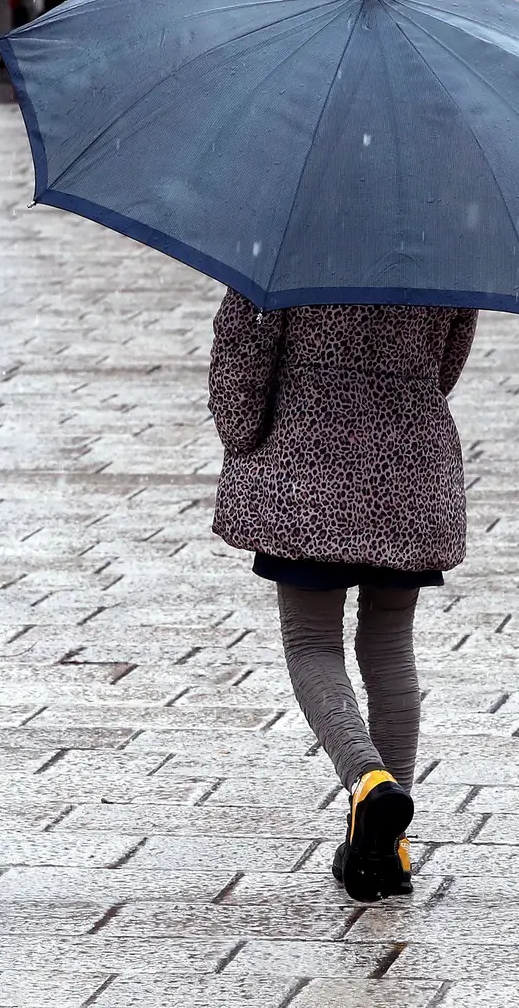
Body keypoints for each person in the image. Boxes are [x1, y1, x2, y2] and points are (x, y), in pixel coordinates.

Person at [209, 290, 478, 902]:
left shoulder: (288, 240)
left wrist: (248, 438)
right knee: (389, 645)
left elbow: (239, 379)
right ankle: (387, 844)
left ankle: (369, 781)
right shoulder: (447, 242)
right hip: (412, 468)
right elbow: (447, 366)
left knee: (311, 644)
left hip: (308, 466)